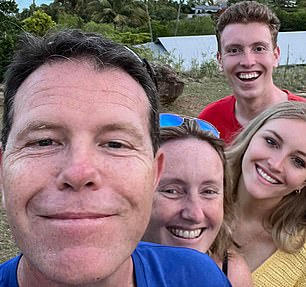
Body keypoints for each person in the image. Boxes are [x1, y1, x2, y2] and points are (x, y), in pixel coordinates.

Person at [0, 29, 232, 286]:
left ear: (154, 174)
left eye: (115, 144)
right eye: (43, 141)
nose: (79, 172)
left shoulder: (197, 276)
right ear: (3, 171)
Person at [143, 113, 253, 287]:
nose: (194, 214)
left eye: (208, 191)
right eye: (172, 191)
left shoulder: (231, 275)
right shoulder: (101, 273)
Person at [198, 1, 306, 144]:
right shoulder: (208, 122)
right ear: (220, 60)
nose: (248, 62)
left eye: (259, 48)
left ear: (276, 55)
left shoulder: (302, 119)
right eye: (234, 50)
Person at [226, 101, 306, 286]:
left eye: (298, 161)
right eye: (271, 142)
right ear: (250, 136)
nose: (275, 165)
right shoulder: (192, 195)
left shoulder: (302, 256)